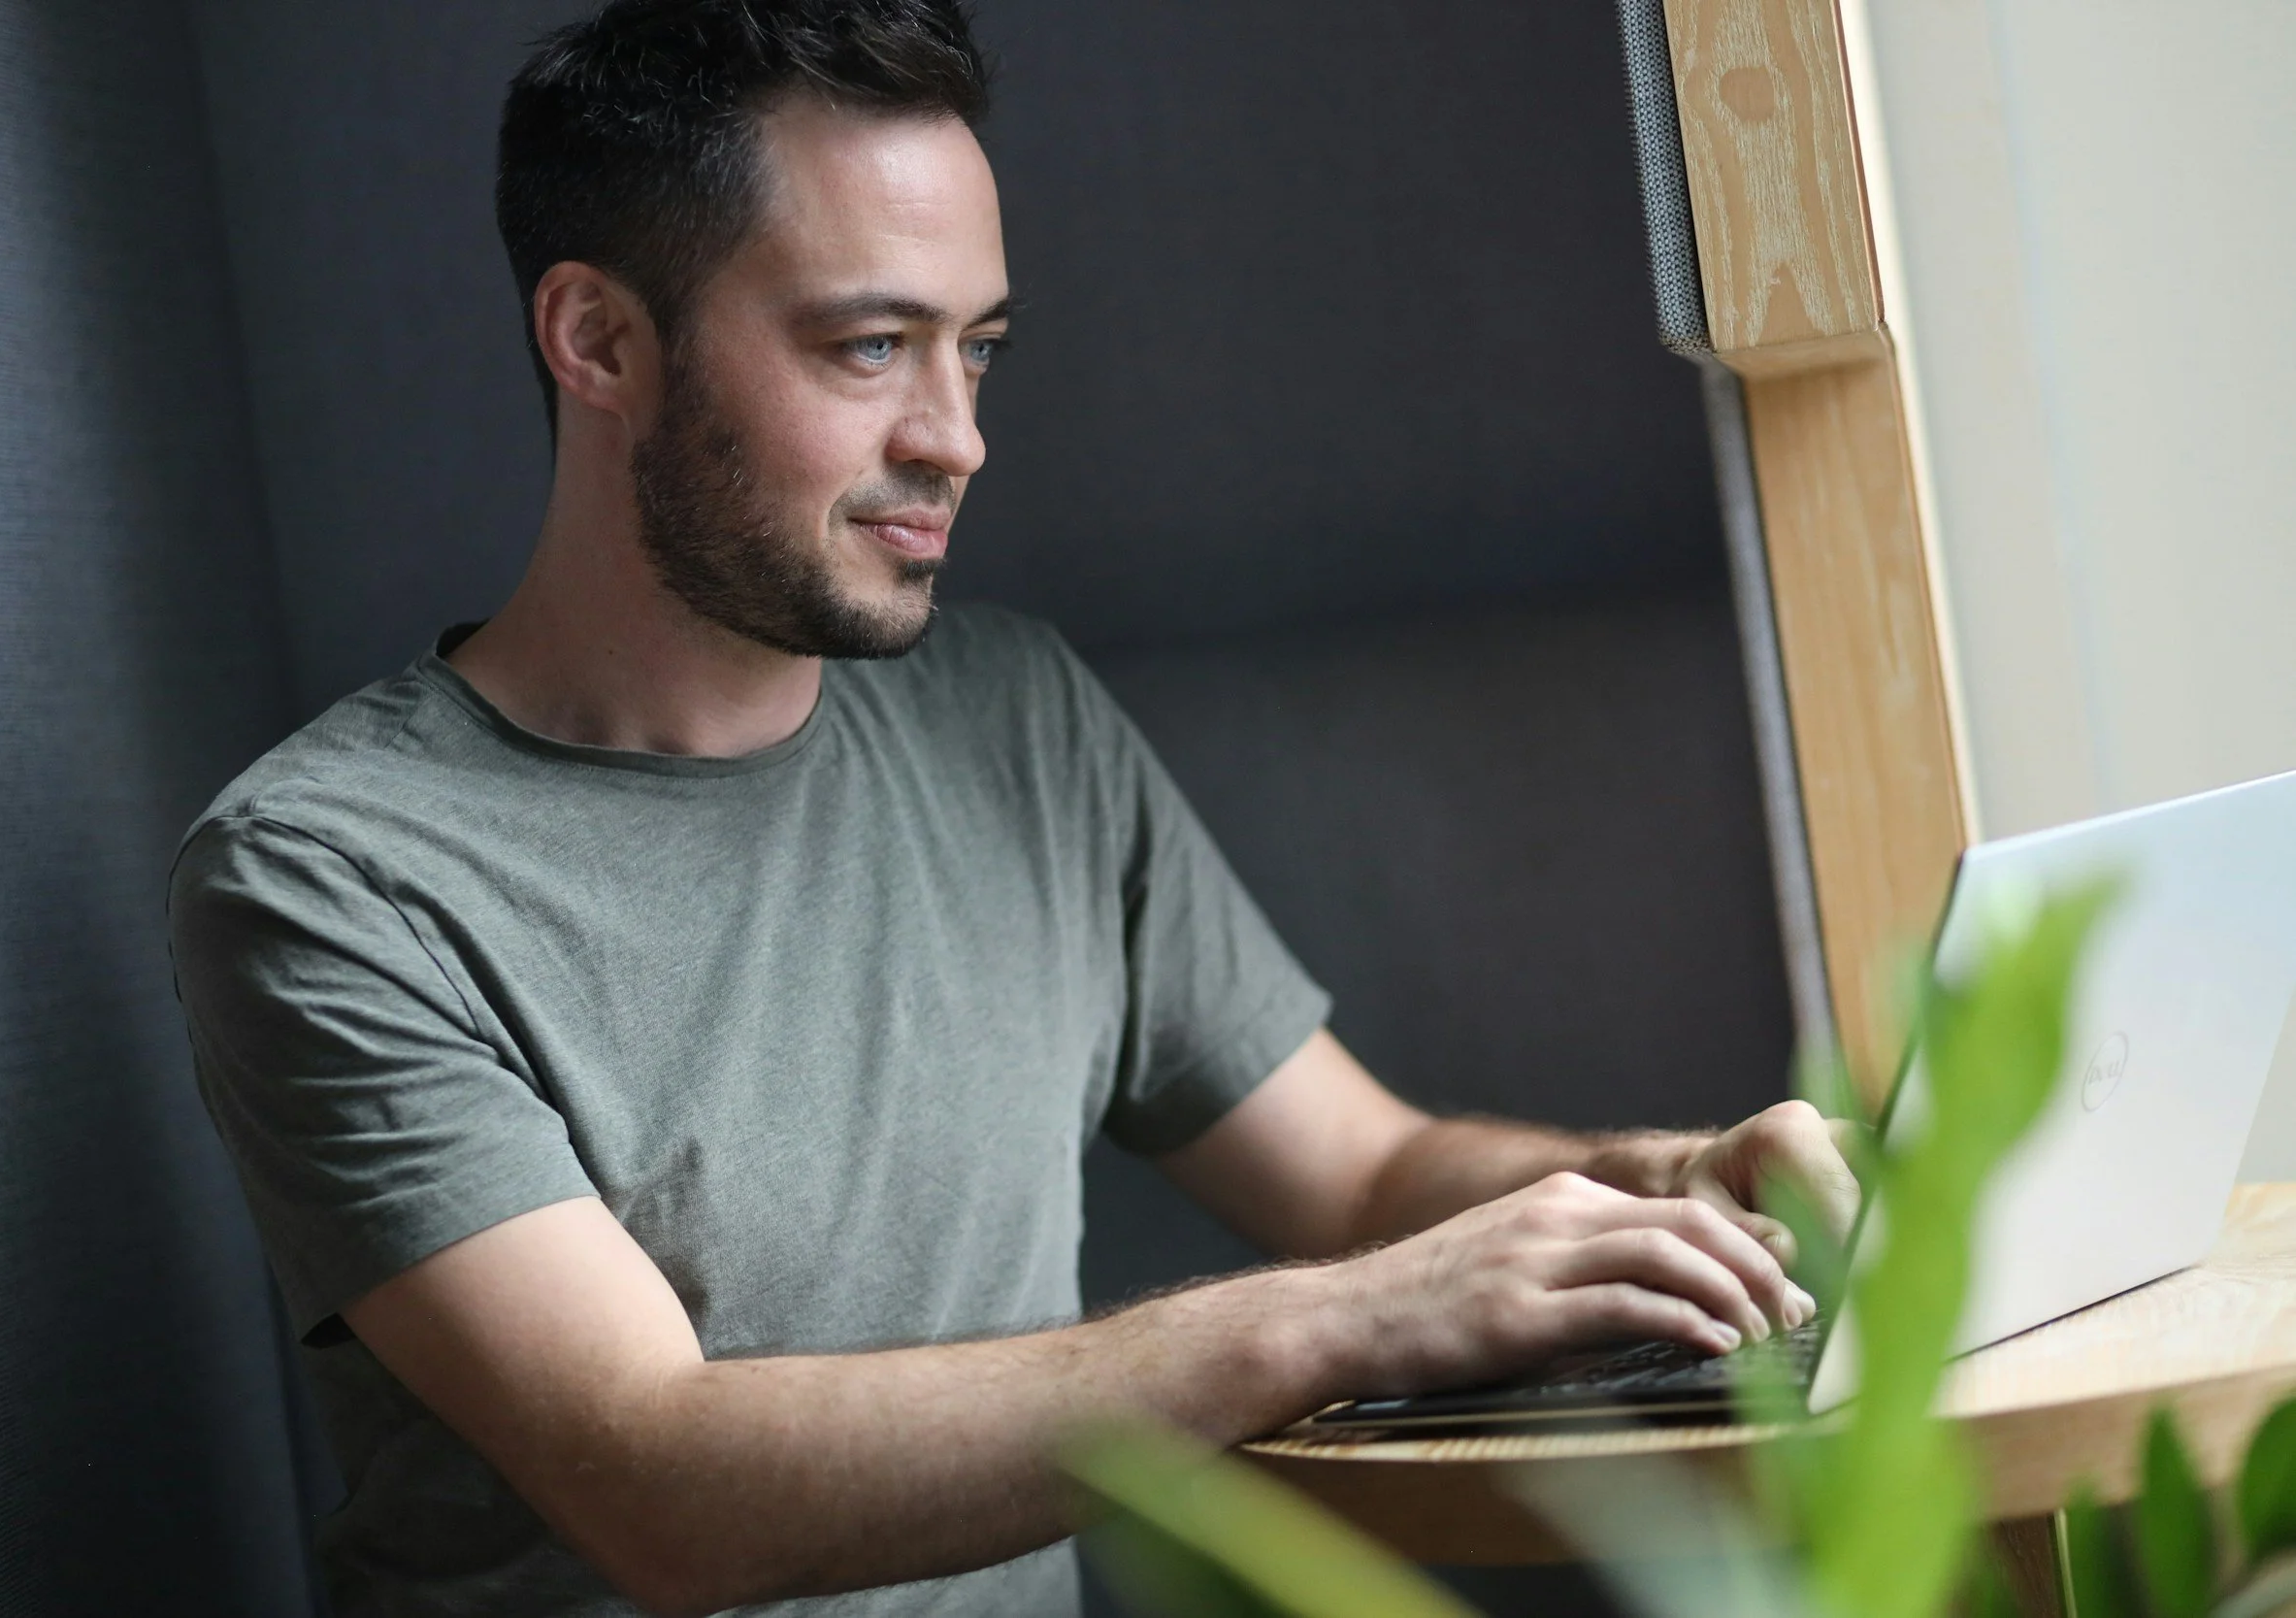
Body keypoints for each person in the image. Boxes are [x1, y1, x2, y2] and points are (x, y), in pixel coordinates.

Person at [168, 3, 1861, 1614]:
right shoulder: (332, 878)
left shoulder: (1015, 720)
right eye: (870, 345)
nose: (957, 436)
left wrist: (1660, 1185)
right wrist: (1348, 1323)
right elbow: (660, 1479)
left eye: (975, 348)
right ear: (600, 338)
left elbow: (1363, 1175)